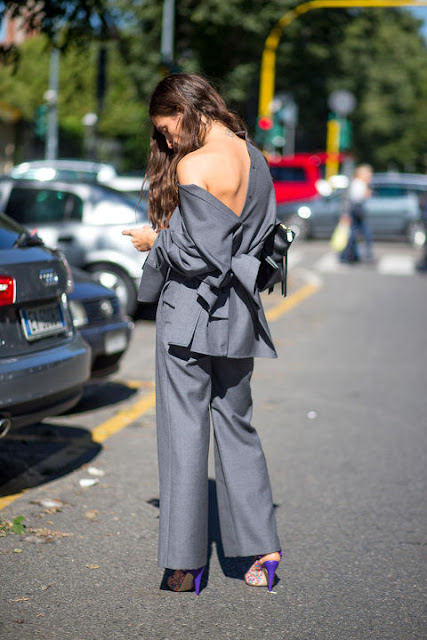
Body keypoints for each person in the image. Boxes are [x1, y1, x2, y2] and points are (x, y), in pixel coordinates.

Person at [122, 73, 281, 596]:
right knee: (238, 425)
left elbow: (199, 254)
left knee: (183, 432)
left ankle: (186, 566)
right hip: (239, 312)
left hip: (188, 315)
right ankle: (262, 551)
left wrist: (155, 240)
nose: (167, 141)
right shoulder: (254, 159)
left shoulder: (193, 164)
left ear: (187, 109)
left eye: (166, 128)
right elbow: (247, 243)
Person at [340, 164, 374, 263]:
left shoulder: (356, 182)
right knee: (361, 234)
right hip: (357, 210)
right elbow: (358, 198)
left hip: (355, 210)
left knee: (355, 234)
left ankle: (349, 256)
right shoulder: (359, 183)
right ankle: (363, 256)